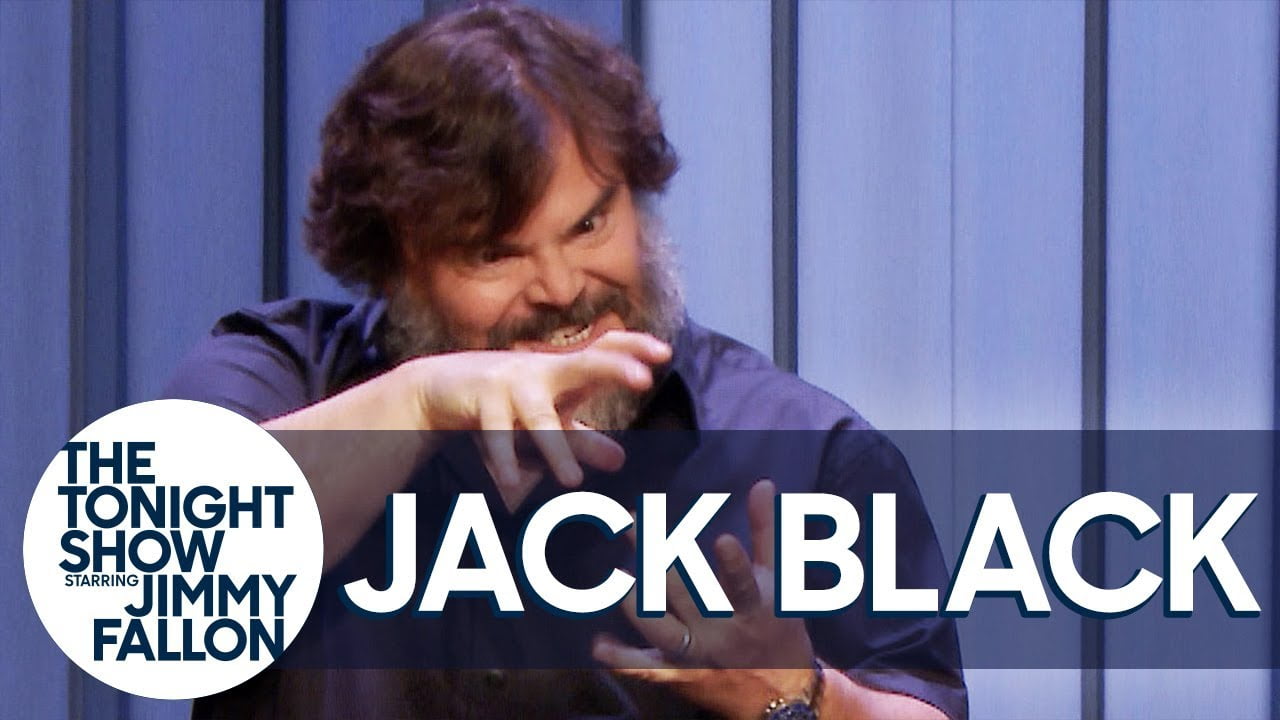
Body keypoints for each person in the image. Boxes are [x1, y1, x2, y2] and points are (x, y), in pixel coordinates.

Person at [165, 2, 966, 718]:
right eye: (495, 254)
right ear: (398, 263)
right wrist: (420, 404)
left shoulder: (807, 450)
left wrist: (799, 697)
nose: (561, 287)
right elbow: (139, 583)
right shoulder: (280, 375)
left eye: (589, 225)